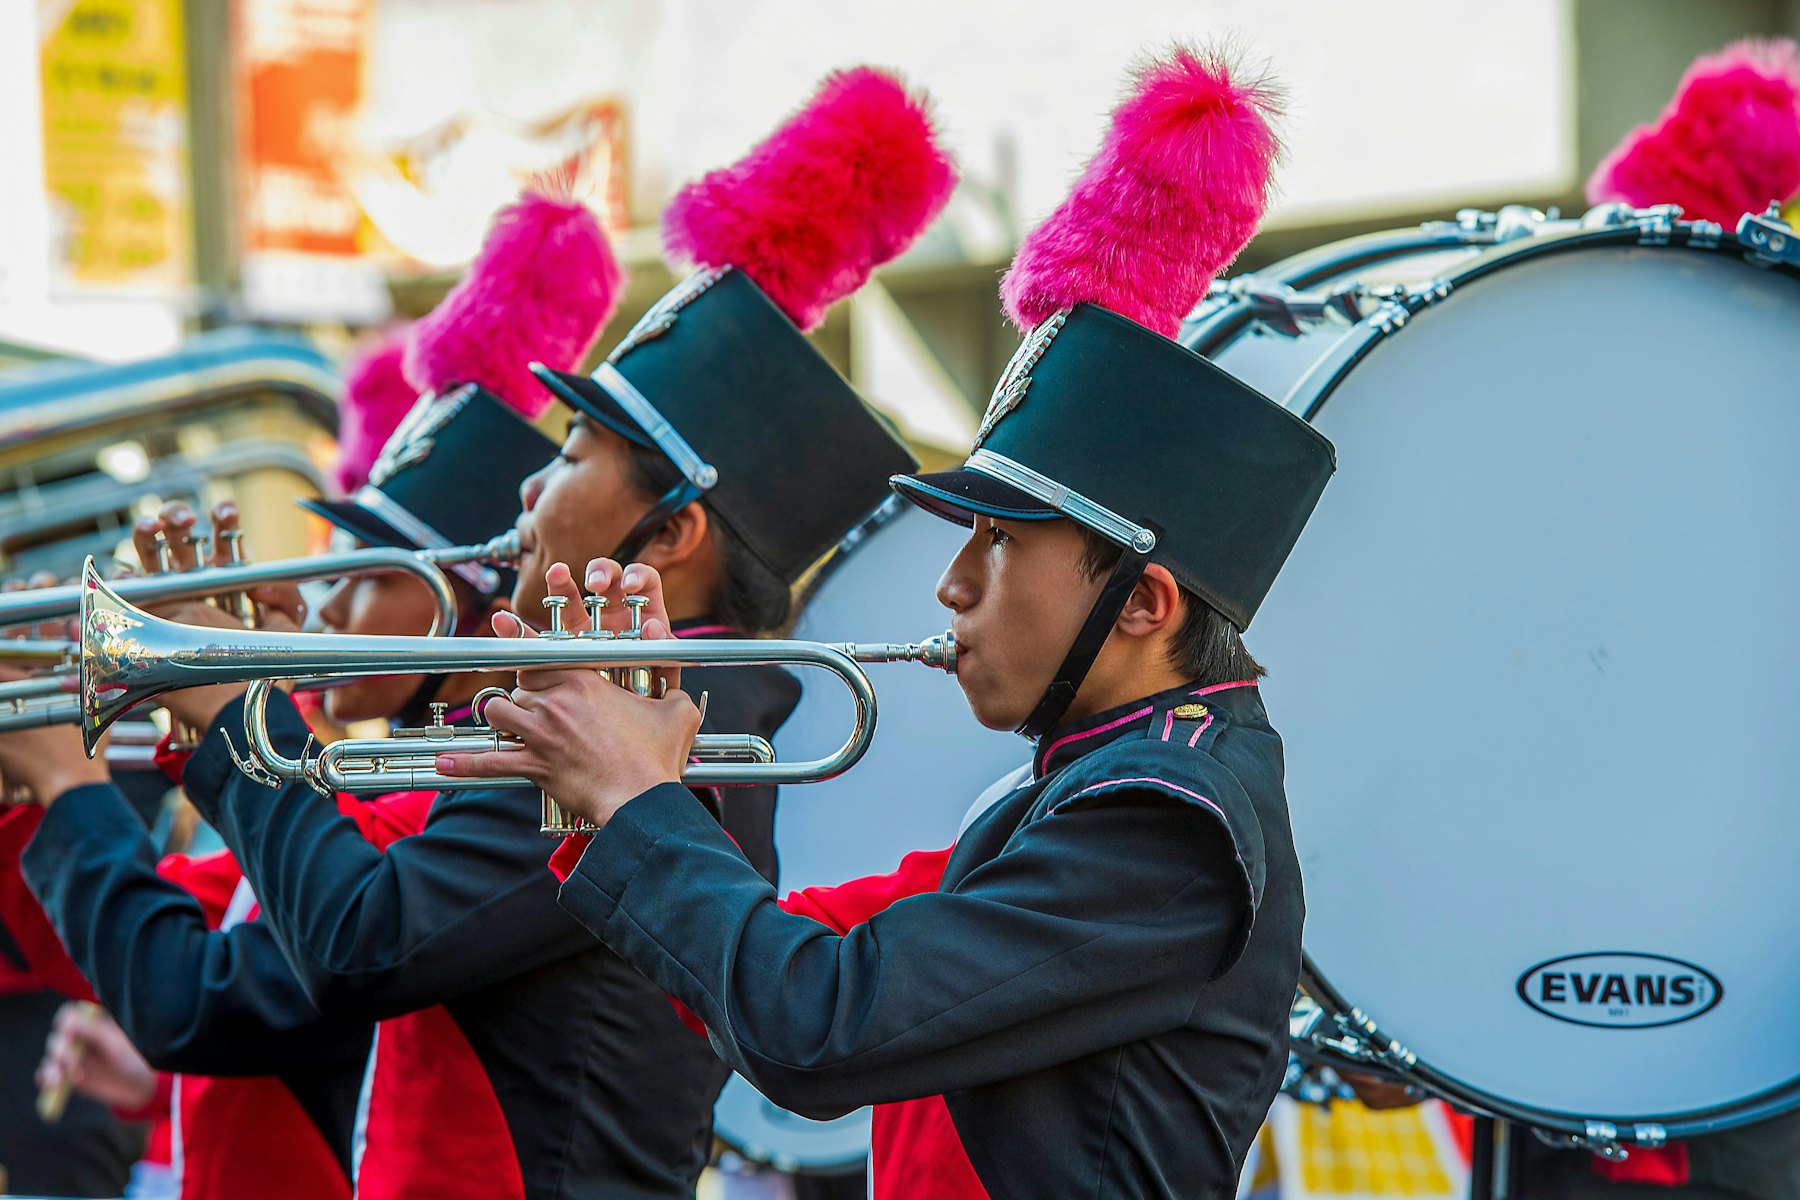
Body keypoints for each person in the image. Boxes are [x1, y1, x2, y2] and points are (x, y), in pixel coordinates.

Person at [445, 46, 1335, 1200]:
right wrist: (639, 784)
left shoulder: (1162, 824)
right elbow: (776, 963)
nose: (950, 586)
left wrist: (640, 801)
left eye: (1000, 545)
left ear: (1146, 604)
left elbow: (819, 1030)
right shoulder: (1094, 780)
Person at [133, 68, 945, 1199]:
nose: (523, 496)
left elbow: (368, 937)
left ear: (672, 534)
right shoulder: (633, 694)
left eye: (565, 457)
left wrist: (235, 715)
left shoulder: (632, 713)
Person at [0, 190, 613, 1200]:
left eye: (365, 575)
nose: (324, 600)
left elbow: (209, 996)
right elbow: (156, 963)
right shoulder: (359, 792)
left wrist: (81, 785)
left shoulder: (434, 807)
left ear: (463, 607)